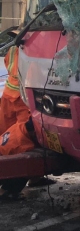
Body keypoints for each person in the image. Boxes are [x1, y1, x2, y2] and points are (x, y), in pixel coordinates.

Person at [0, 46, 36, 199]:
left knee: (6, 136)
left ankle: (32, 177)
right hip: (23, 98)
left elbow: (8, 63)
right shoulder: (34, 48)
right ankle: (10, 186)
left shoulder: (13, 49)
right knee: (23, 139)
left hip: (9, 94)